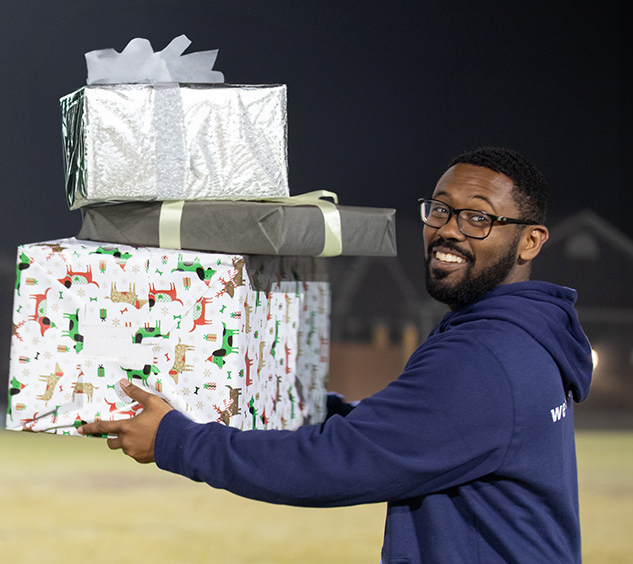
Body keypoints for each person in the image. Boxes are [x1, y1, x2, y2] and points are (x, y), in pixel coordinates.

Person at [80, 147, 594, 563]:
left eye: (478, 217)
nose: (449, 228)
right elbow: (415, 436)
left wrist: (175, 441)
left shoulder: (486, 356)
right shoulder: (512, 337)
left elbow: (335, 464)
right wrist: (291, 400)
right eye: (440, 209)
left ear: (530, 241)